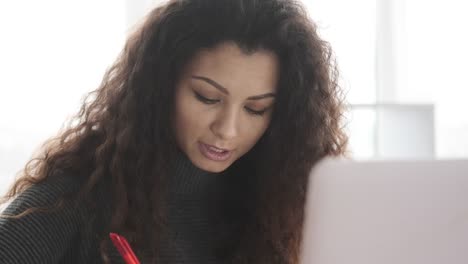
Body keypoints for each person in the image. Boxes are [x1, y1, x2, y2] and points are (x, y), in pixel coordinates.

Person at [0, 0, 347, 263]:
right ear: (161, 86)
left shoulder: (283, 210)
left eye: (256, 109)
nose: (227, 130)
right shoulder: (74, 200)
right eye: (207, 97)